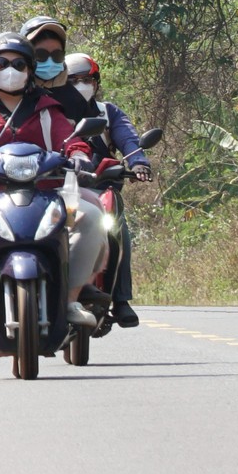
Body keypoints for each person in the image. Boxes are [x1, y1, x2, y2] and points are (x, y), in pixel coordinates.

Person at [0, 33, 106, 340]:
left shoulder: (46, 107)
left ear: (29, 71)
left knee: (93, 216)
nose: (9, 69)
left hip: (46, 192)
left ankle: (71, 298)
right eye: (2, 62)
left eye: (18, 63)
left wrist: (79, 154)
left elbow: (71, 139)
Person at [63, 51, 154, 327]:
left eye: (86, 79)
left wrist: (138, 162)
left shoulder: (108, 112)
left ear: (96, 82)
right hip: (64, 189)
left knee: (117, 230)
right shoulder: (53, 113)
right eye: (73, 80)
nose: (81, 85)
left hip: (103, 190)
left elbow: (128, 139)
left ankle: (120, 298)